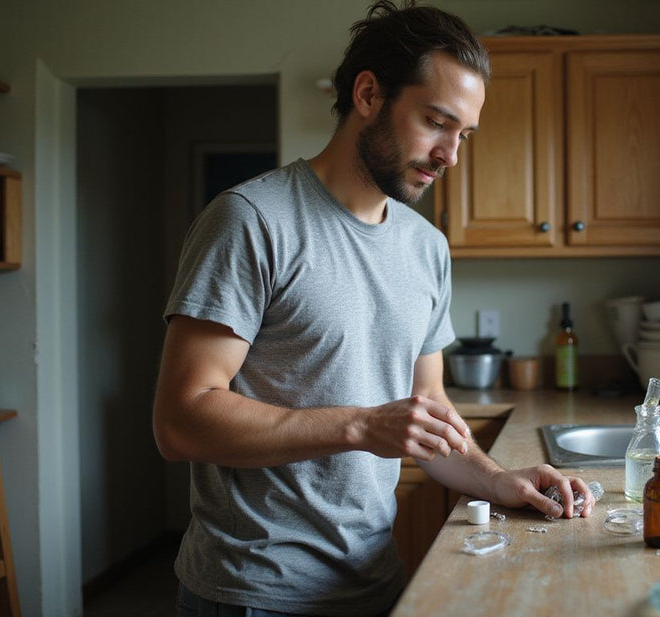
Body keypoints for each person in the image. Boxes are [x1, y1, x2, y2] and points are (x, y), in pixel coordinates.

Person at [152, 1, 595, 616]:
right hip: (255, 593)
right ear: (367, 94)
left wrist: (496, 479)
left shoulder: (426, 247)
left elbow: (429, 413)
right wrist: (360, 425)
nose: (451, 156)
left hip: (373, 580)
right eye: (437, 122)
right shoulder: (252, 221)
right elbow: (180, 421)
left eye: (462, 134)